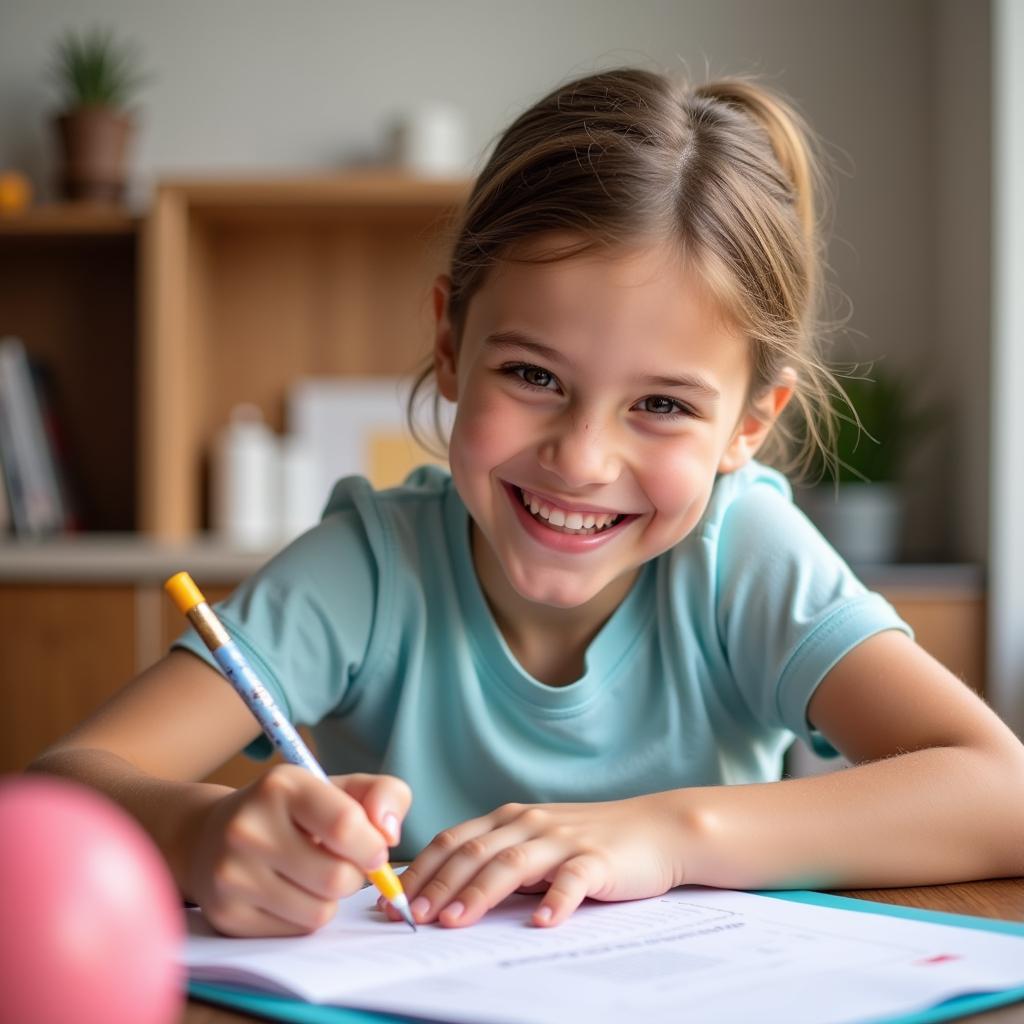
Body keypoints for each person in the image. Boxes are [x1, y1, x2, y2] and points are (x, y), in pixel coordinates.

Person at [31, 67, 1024, 937]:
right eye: (534, 376)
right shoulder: (368, 568)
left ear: (748, 427)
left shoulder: (742, 553)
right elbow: (56, 793)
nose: (582, 459)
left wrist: (667, 833)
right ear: (452, 344)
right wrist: (202, 835)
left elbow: (1005, 791)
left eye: (663, 404)